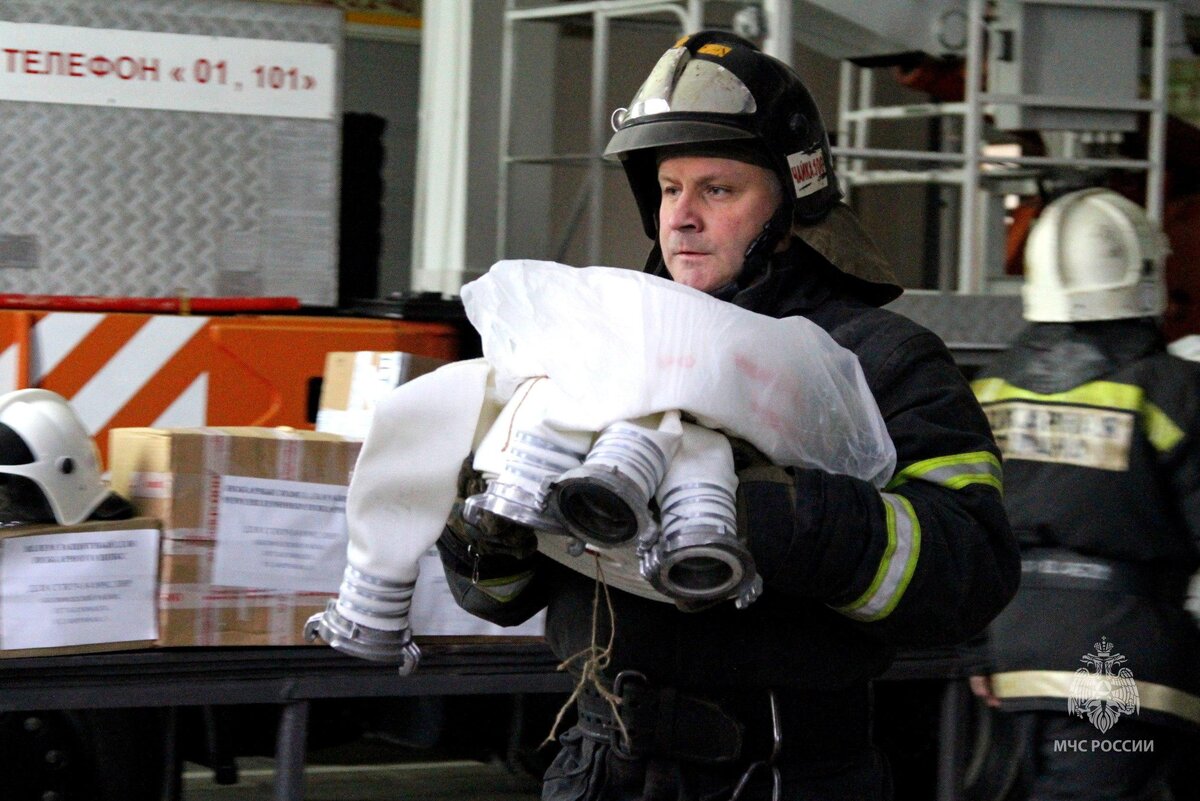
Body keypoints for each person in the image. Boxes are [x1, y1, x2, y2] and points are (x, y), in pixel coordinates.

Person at [437, 30, 1019, 800]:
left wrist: (792, 517)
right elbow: (498, 600)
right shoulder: (598, 353)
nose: (681, 218)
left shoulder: (882, 361)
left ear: (790, 202)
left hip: (786, 773)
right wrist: (488, 539)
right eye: (669, 189)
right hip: (598, 768)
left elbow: (969, 569)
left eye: (717, 190)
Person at [967, 187, 1200, 801]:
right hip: (1125, 662)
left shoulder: (988, 390)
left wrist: (978, 648)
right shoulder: (1174, 392)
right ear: (1147, 272)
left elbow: (961, 531)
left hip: (1008, 656)